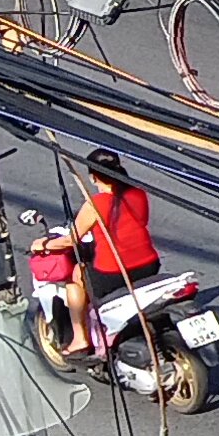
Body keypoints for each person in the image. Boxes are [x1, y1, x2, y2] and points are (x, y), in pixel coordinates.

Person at [63, 147, 158, 349]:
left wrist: (41, 245)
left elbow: (72, 239)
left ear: (93, 176)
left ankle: (80, 339)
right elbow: (140, 221)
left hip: (114, 273)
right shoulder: (138, 193)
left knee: (77, 277)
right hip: (150, 264)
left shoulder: (96, 204)